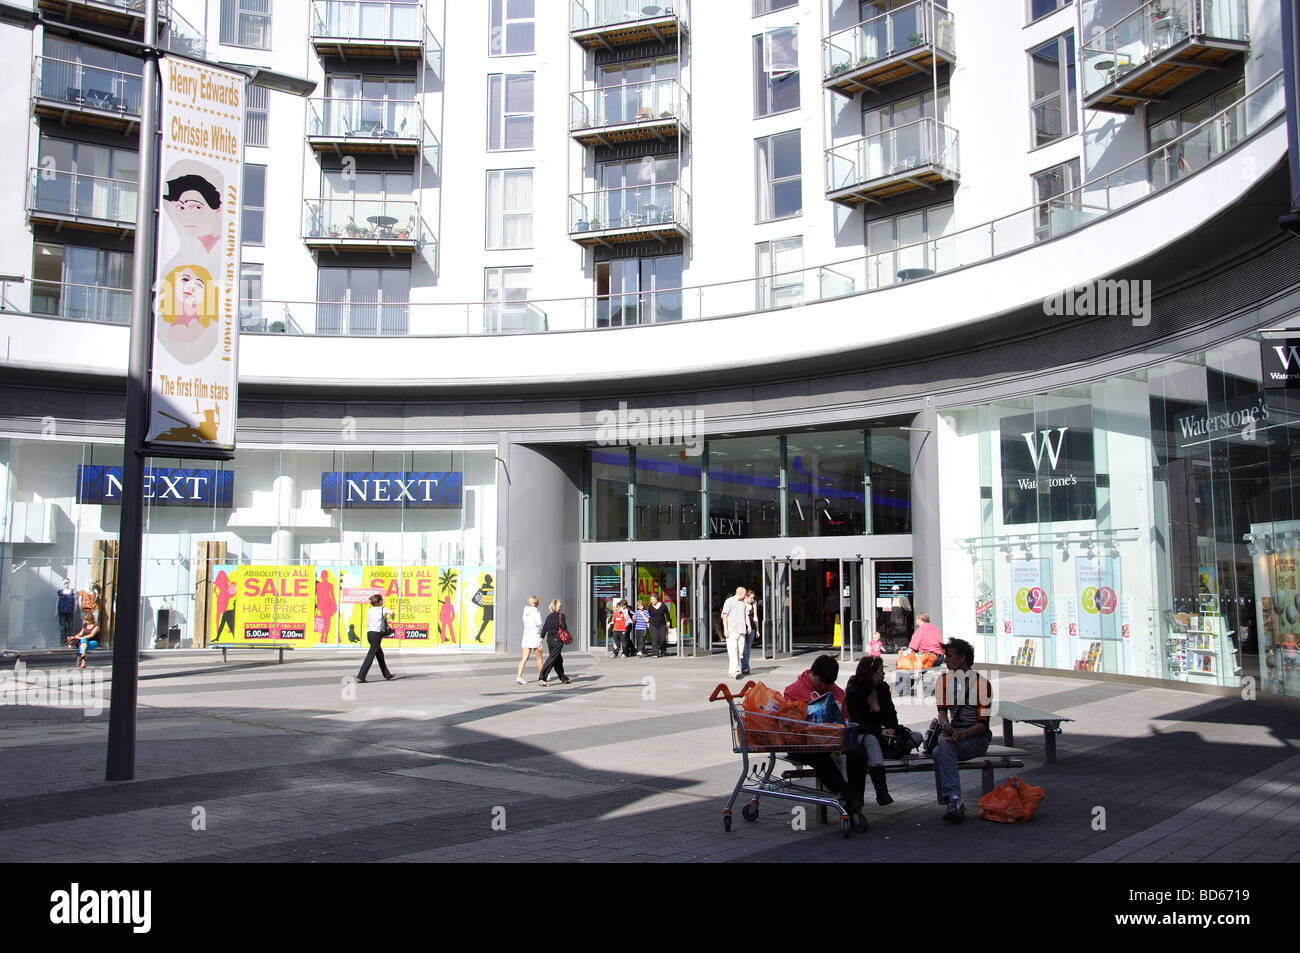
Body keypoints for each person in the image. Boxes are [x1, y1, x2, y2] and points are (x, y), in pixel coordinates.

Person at [784, 655, 867, 818]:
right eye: (820, 682)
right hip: (804, 744)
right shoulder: (793, 691)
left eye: (827, 684)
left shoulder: (837, 692)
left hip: (833, 740)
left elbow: (846, 718)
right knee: (821, 758)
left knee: (858, 754)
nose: (823, 687)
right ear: (812, 674)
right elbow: (787, 722)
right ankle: (848, 797)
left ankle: (855, 801)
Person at [845, 655, 921, 805]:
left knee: (917, 737)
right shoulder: (854, 690)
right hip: (865, 735)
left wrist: (891, 729)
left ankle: (887, 748)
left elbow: (892, 715)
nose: (884, 673)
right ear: (871, 673)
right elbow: (857, 722)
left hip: (885, 735)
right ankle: (882, 791)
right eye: (881, 670)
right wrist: (880, 731)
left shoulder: (883, 688)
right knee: (872, 741)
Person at [932, 638, 993, 822]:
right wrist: (945, 726)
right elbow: (942, 712)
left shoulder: (982, 685)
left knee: (942, 748)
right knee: (939, 750)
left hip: (976, 738)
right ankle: (954, 799)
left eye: (949, 656)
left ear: (962, 658)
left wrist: (959, 735)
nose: (945, 660)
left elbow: (983, 724)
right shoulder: (943, 681)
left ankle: (954, 799)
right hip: (955, 734)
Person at [356, 593, 396, 683]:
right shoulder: (382, 609)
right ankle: (361, 676)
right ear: (379, 602)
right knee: (370, 656)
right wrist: (391, 618)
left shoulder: (369, 611)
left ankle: (387, 674)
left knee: (380, 655)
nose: (383, 601)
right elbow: (392, 613)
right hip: (377, 635)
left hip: (370, 634)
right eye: (382, 600)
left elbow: (367, 624)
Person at [538, 599, 571, 686]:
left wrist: (541, 639)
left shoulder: (549, 616)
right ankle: (542, 677)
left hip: (549, 639)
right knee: (552, 658)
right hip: (557, 639)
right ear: (559, 606)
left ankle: (563, 678)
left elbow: (545, 628)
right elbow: (564, 626)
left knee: (558, 659)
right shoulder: (561, 615)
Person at [720, 586, 750, 679]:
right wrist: (725, 629)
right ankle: (736, 671)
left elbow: (745, 616)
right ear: (740, 593)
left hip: (741, 631)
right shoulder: (729, 601)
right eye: (744, 594)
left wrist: (748, 626)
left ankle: (732, 671)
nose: (745, 596)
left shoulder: (743, 604)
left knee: (739, 652)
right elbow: (725, 616)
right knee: (733, 650)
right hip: (732, 631)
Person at [516, 595, 544, 685]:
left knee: (524, 658)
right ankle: (543, 675)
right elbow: (539, 625)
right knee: (539, 658)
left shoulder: (525, 612)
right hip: (534, 636)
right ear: (537, 603)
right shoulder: (536, 613)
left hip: (526, 636)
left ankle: (519, 676)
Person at [647, 594, 670, 658]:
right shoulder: (650, 607)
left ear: (657, 599)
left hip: (662, 625)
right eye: (651, 600)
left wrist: (668, 621)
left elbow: (667, 613)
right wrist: (648, 622)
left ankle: (663, 651)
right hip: (653, 625)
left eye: (653, 599)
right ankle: (655, 653)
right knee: (654, 640)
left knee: (662, 639)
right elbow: (648, 615)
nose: (652, 601)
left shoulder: (663, 605)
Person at [741, 589, 758, 675]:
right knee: (743, 649)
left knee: (748, 649)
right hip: (743, 628)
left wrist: (758, 630)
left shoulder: (753, 606)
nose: (752, 600)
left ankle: (746, 665)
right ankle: (744, 667)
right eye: (751, 598)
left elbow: (755, 618)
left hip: (752, 629)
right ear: (746, 597)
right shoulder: (742, 605)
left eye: (753, 598)